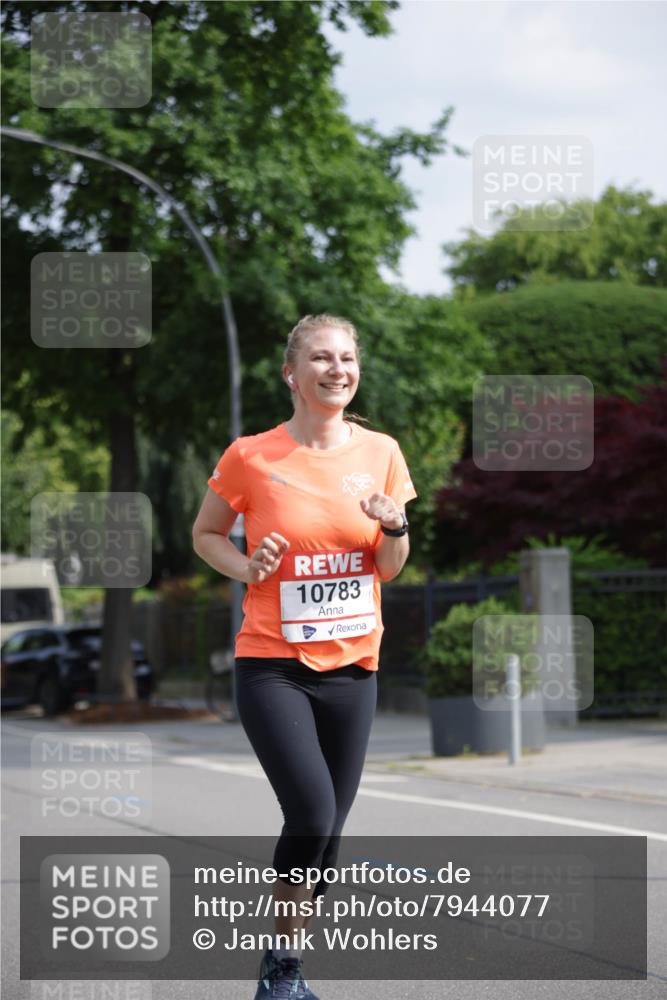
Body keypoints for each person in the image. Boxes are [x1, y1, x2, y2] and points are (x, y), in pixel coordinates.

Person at [192, 314, 417, 999]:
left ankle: (284, 963)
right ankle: (281, 974)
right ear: (291, 373)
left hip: (354, 666)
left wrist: (395, 525)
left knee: (329, 836)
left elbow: (389, 568)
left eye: (347, 357)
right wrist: (247, 567)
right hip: (273, 665)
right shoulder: (252, 456)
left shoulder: (381, 452)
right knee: (312, 814)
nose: (336, 369)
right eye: (321, 357)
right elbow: (206, 534)